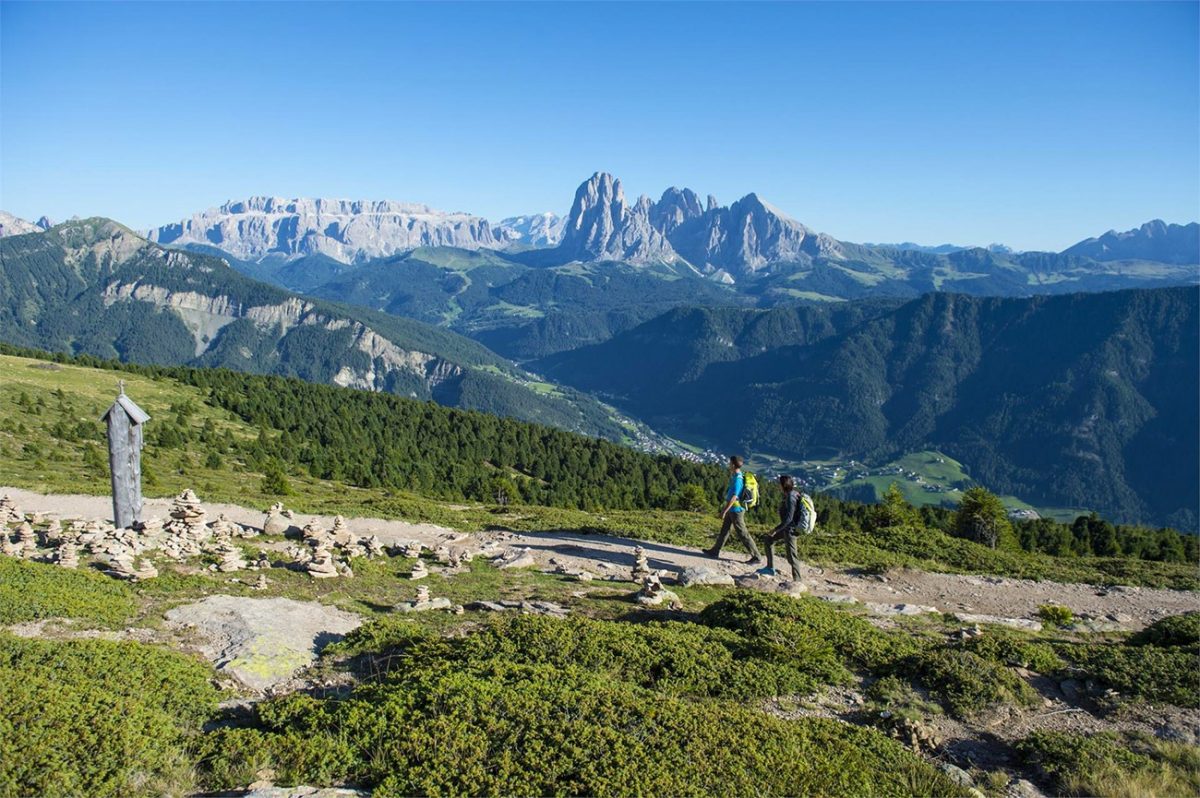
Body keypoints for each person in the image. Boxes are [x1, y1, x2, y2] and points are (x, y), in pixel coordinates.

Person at [704, 455, 762, 564]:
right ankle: (715, 551)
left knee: (742, 533)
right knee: (724, 530)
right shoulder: (736, 476)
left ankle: (756, 556)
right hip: (733, 509)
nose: (728, 464)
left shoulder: (738, 479)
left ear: (733, 465)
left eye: (729, 463)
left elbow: (734, 497)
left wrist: (724, 511)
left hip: (736, 510)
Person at [758, 475, 807, 579]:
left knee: (792, 556)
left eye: (778, 483)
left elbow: (788, 519)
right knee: (768, 539)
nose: (777, 484)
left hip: (791, 530)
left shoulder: (790, 497)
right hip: (786, 528)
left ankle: (797, 580)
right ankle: (770, 568)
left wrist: (775, 530)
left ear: (783, 485)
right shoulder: (792, 494)